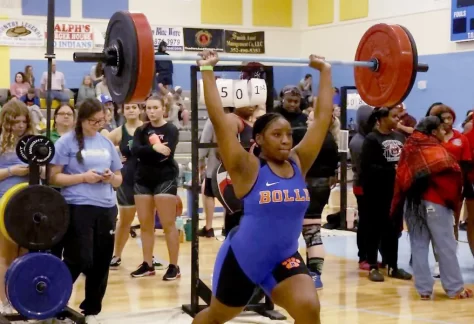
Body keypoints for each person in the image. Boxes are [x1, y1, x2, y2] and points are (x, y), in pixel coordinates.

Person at [192, 51, 333, 324]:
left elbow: (323, 118)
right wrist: (207, 71)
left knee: (309, 308)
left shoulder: (299, 162)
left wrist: (324, 72)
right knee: (216, 317)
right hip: (243, 259)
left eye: (289, 134)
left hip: (284, 258)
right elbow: (220, 121)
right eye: (276, 135)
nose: (285, 140)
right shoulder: (247, 168)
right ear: (259, 138)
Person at [49, 98, 123, 323]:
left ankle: (92, 309)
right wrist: (83, 177)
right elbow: (53, 177)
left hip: (106, 207)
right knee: (80, 258)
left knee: (101, 261)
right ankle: (53, 300)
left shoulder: (106, 142)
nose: (98, 124)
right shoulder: (66, 142)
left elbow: (120, 179)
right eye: (94, 121)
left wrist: (111, 178)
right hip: (78, 206)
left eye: (102, 120)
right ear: (82, 119)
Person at [391, 116, 473, 300]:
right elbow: (452, 175)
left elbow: (403, 176)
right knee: (445, 245)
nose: (446, 133)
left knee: (418, 246)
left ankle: (424, 291)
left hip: (411, 204)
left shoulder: (410, 146)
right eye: (443, 130)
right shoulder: (435, 150)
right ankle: (455, 289)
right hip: (435, 202)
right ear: (434, 131)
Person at [360, 106, 412, 282]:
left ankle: (393, 266)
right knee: (374, 229)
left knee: (393, 230)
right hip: (376, 192)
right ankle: (373, 266)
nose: (398, 119)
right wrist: (391, 170)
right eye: (394, 116)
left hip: (395, 192)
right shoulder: (372, 139)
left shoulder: (399, 137)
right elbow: (367, 168)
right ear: (381, 118)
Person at [131, 96, 181, 280]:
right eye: (148, 108)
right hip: (143, 179)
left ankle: (174, 266)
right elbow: (135, 151)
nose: (151, 111)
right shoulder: (141, 129)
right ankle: (147, 264)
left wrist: (148, 151)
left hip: (164, 178)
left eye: (155, 108)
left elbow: (166, 154)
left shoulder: (171, 129)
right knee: (145, 225)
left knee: (168, 224)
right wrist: (154, 149)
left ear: (163, 108)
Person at [0, 100, 32, 314]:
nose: (20, 126)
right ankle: (3, 300)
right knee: (5, 254)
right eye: (16, 122)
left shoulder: (31, 142)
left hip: (29, 202)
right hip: (4, 202)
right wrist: (13, 171)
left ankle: (19, 297)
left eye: (24, 121)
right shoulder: (1, 142)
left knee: (25, 252)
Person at [303, 110, 339, 290]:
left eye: (309, 119)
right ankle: (315, 274)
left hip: (307, 187)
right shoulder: (331, 139)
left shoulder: (313, 139)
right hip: (322, 188)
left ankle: (309, 273)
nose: (307, 122)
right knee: (313, 231)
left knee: (306, 232)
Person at [108, 103, 146, 268]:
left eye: (134, 107)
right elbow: (101, 146)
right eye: (128, 107)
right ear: (123, 111)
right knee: (124, 221)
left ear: (139, 110)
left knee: (147, 221)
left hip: (146, 180)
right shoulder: (118, 132)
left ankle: (149, 258)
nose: (131, 110)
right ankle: (116, 255)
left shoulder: (147, 129)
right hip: (127, 180)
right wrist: (115, 156)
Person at [349, 105, 377, 270]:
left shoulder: (369, 138)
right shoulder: (359, 141)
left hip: (370, 185)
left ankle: (370, 255)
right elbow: (363, 169)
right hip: (363, 186)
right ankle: (363, 256)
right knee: (365, 222)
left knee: (371, 222)